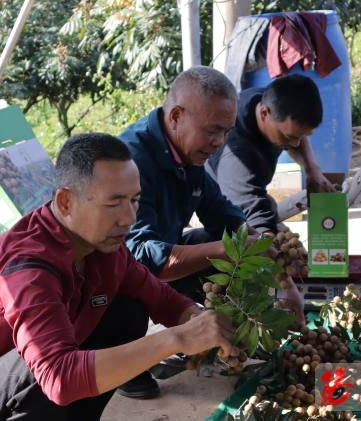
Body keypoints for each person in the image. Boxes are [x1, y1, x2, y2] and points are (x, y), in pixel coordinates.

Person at [0, 133, 237, 421]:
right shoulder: (27, 265)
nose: (129, 219)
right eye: (114, 203)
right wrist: (177, 340)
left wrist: (204, 324)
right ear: (65, 201)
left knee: (128, 310)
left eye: (135, 201)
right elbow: (57, 377)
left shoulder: (104, 247)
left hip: (14, 396)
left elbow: (159, 298)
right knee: (38, 368)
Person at [115, 66, 306, 399]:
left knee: (216, 242)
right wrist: (226, 249)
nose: (219, 143)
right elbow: (140, 256)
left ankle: (224, 335)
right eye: (212, 131)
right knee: (205, 252)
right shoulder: (131, 161)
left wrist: (281, 277)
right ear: (176, 116)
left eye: (226, 132)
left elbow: (225, 216)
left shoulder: (187, 155)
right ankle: (125, 360)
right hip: (110, 271)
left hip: (154, 258)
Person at [207, 75, 335, 235]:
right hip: (224, 201)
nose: (296, 144)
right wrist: (270, 243)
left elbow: (297, 135)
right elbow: (253, 214)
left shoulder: (268, 100)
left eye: (300, 137)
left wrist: (312, 168)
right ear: (263, 114)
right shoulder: (237, 157)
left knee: (270, 209)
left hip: (250, 187)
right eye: (289, 137)